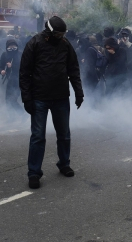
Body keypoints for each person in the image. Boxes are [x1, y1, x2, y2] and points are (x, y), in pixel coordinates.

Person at [19, 16, 84, 189]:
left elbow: (73, 69)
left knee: (64, 134)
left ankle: (64, 164)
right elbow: (24, 73)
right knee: (38, 137)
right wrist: (27, 98)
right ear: (49, 32)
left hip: (61, 97)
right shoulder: (34, 44)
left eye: (63, 34)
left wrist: (79, 92)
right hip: (39, 98)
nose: (61, 36)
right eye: (58, 34)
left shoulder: (65, 44)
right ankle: (34, 173)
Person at [0, 38, 22, 114]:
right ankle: (11, 117)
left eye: (14, 46)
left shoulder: (21, 54)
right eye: (10, 47)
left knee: (13, 99)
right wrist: (1, 71)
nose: (12, 48)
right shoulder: (4, 55)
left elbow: (25, 67)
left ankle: (22, 114)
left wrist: (12, 66)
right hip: (10, 80)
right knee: (7, 100)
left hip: (20, 81)